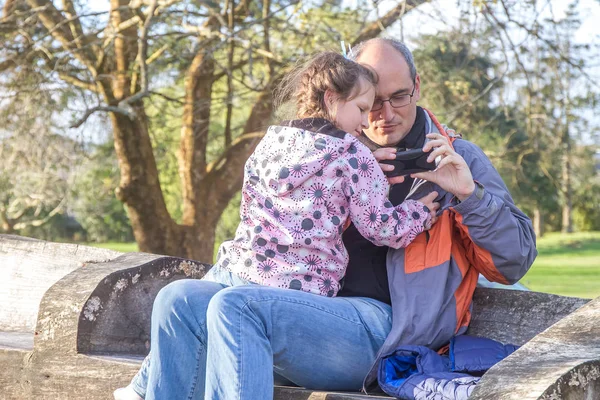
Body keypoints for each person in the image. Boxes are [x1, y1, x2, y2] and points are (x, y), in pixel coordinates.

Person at [115, 39, 537, 400]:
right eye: (371, 103)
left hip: (383, 332)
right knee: (178, 299)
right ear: (347, 93)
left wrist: (468, 196)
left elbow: (514, 261)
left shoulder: (457, 158)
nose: (384, 114)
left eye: (399, 97)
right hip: (298, 311)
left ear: (417, 87)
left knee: (236, 306)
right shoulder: (324, 152)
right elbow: (261, 249)